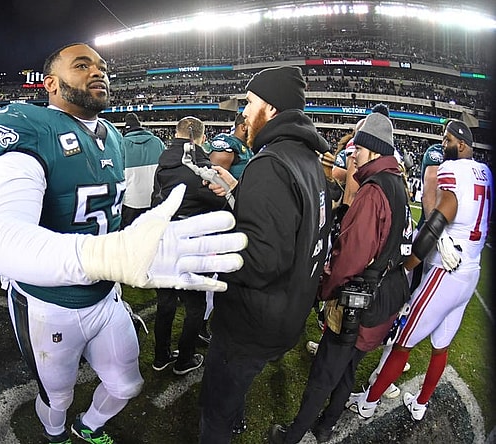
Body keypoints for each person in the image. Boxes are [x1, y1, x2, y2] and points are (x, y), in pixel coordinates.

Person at [0, 43, 247, 444]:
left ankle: (88, 427)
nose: (98, 72)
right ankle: (55, 436)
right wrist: (111, 255)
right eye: (82, 65)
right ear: (50, 83)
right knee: (57, 396)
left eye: (102, 66)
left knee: (126, 384)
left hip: (106, 295)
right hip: (49, 304)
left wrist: (131, 254)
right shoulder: (31, 127)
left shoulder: (115, 138)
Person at [199, 66, 331, 443]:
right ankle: (235, 418)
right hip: (286, 313)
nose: (243, 111)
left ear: (270, 109)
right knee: (235, 389)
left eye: (249, 102)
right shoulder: (306, 160)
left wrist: (209, 250)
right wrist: (240, 191)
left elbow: (260, 262)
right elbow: (292, 225)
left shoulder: (271, 163)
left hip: (251, 323)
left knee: (215, 406)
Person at [269, 111, 413, 444]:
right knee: (348, 369)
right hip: (387, 295)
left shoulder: (374, 190)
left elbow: (351, 257)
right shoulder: (397, 184)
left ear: (374, 150)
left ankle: (292, 435)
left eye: (358, 149)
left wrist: (323, 288)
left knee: (324, 373)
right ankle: (325, 426)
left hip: (360, 299)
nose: (353, 154)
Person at [348, 120, 492, 422]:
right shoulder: (485, 173)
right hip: (471, 270)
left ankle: (368, 402)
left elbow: (437, 221)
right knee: (441, 346)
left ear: (462, 145)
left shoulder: (453, 170)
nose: (443, 143)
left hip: (446, 272)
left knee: (403, 342)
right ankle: (421, 404)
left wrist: (408, 266)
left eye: (448, 138)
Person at [150, 116, 228, 375]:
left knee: (166, 301)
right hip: (194, 241)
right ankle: (184, 359)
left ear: (176, 133)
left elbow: (156, 201)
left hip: (164, 238)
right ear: (202, 138)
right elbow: (219, 205)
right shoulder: (205, 167)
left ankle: (161, 356)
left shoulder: (163, 163)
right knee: (194, 306)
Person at [120, 112, 165, 227]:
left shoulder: (121, 144)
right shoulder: (157, 142)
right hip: (154, 200)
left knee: (130, 237)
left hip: (131, 202)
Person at [208, 113, 252, 180]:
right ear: (243, 127)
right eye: (255, 127)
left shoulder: (247, 146)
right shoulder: (226, 150)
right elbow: (213, 182)